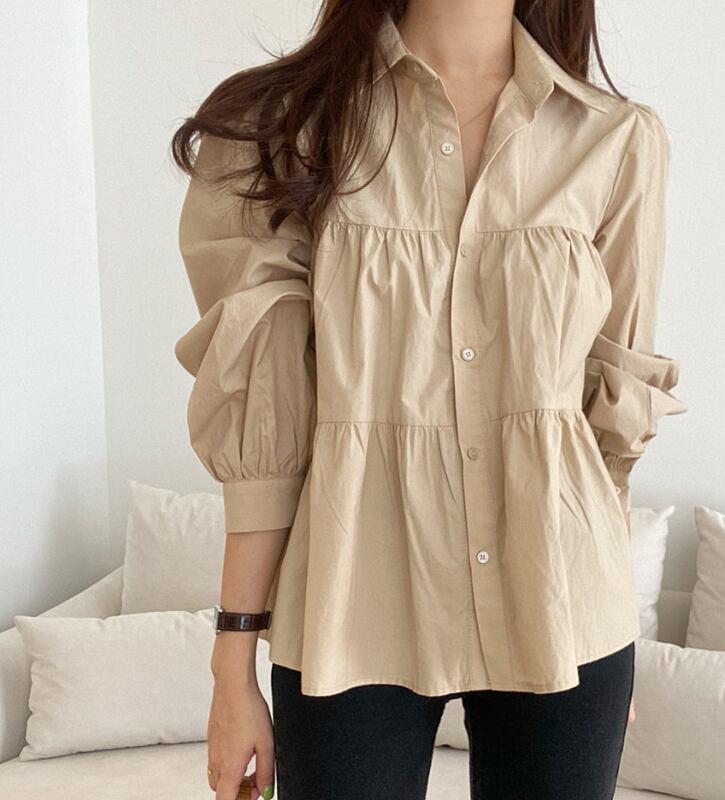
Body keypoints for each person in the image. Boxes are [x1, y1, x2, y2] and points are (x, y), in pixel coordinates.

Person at [171, 2, 688, 799]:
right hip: (351, 600)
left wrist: (607, 621)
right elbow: (264, 413)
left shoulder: (616, 140)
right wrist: (231, 664)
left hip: (565, 603)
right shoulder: (284, 129)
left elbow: (609, 425)